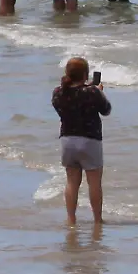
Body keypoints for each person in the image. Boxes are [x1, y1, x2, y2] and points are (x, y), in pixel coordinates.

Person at [52, 57, 110, 226]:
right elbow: (106, 110)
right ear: (85, 75)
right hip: (90, 140)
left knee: (71, 182)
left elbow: (65, 105)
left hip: (67, 140)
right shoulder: (92, 92)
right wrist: (99, 91)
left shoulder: (58, 92)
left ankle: (71, 219)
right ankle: (97, 220)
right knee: (94, 182)